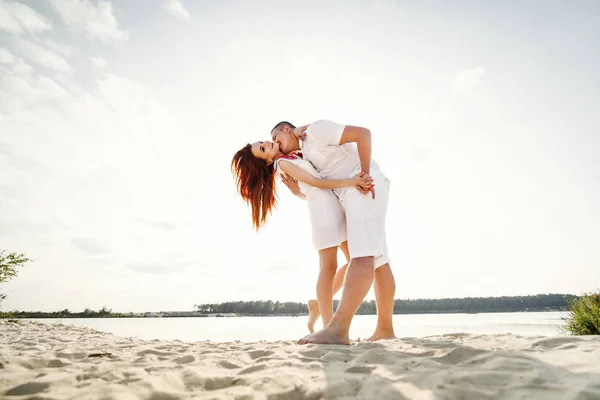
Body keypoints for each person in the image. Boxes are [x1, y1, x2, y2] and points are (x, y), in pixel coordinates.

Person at [272, 120, 396, 345]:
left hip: (362, 186)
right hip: (350, 193)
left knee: (362, 257)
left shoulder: (316, 130)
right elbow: (320, 187)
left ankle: (338, 329)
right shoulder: (305, 154)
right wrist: (297, 192)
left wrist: (364, 175)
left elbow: (363, 133)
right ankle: (385, 330)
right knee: (379, 259)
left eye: (276, 138)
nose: (275, 144)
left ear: (287, 130)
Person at [231, 140, 371, 332]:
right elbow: (316, 184)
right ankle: (328, 326)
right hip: (323, 214)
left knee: (352, 261)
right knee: (329, 268)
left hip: (335, 208)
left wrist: (297, 192)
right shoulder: (282, 164)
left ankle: (317, 305)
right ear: (267, 161)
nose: (267, 143)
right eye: (263, 149)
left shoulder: (294, 156)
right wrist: (352, 182)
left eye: (262, 142)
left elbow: (309, 188)